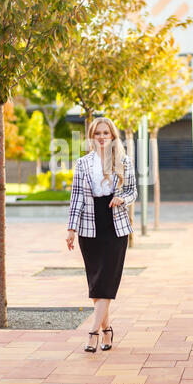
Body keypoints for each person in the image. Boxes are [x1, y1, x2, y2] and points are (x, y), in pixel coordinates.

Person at [66, 117, 138, 353]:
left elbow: (132, 191)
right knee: (96, 282)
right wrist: (71, 229)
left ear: (113, 135)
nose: (102, 137)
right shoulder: (83, 163)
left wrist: (122, 199)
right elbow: (76, 198)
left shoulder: (124, 161)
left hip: (115, 225)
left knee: (107, 280)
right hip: (90, 227)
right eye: (98, 133)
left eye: (106, 133)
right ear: (92, 136)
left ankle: (93, 333)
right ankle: (107, 330)